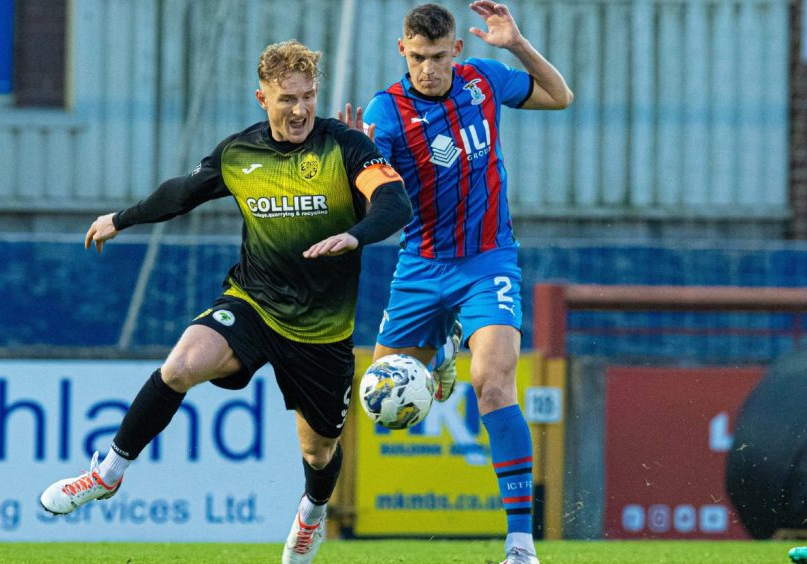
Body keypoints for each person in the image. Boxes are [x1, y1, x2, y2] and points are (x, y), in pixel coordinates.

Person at [39, 40, 412, 564]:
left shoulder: (346, 145)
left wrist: (357, 235)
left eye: (308, 96)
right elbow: (180, 194)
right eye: (287, 99)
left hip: (321, 331)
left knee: (317, 451)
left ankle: (311, 513)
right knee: (181, 365)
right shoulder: (240, 153)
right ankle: (107, 473)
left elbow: (395, 203)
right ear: (263, 98)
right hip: (253, 303)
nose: (300, 109)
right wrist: (120, 218)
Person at [340, 3, 572, 563]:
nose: (427, 68)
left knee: (493, 385)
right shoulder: (385, 113)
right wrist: (354, 159)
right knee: (379, 395)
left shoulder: (483, 82)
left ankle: (519, 544)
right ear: (403, 52)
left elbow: (560, 96)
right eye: (417, 57)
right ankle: (442, 346)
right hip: (419, 265)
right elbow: (373, 196)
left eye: (438, 57)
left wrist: (516, 44)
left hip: (488, 261)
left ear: (457, 52)